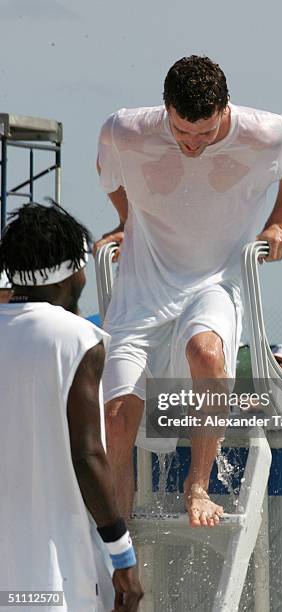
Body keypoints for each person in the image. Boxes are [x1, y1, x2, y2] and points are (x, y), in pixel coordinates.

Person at [95, 54, 282, 527]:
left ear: (225, 110)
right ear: (166, 110)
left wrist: (279, 222)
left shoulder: (265, 132)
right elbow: (108, 171)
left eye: (206, 133)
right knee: (116, 416)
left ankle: (197, 485)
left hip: (217, 279)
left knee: (207, 353)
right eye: (182, 133)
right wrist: (128, 223)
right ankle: (117, 536)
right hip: (144, 283)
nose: (194, 144)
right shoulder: (124, 130)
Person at [0, 203, 143, 612]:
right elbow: (87, 454)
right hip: (56, 573)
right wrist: (122, 555)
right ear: (69, 273)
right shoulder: (78, 338)